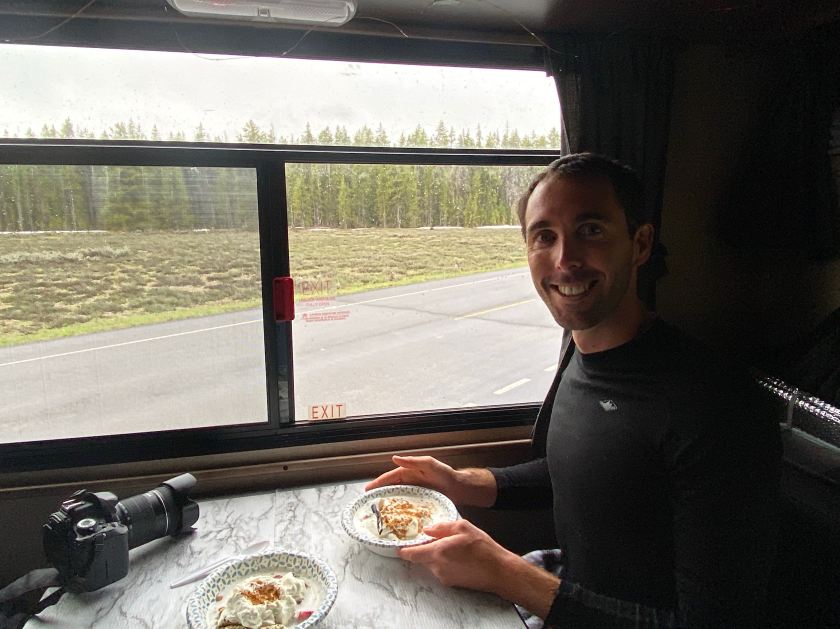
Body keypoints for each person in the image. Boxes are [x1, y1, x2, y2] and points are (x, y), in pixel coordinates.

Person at [366, 153, 782, 628]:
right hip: (568, 592)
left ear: (640, 244)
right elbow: (594, 469)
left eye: (591, 230)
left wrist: (506, 573)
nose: (565, 260)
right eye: (544, 236)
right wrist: (464, 483)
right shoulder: (579, 352)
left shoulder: (717, 406)